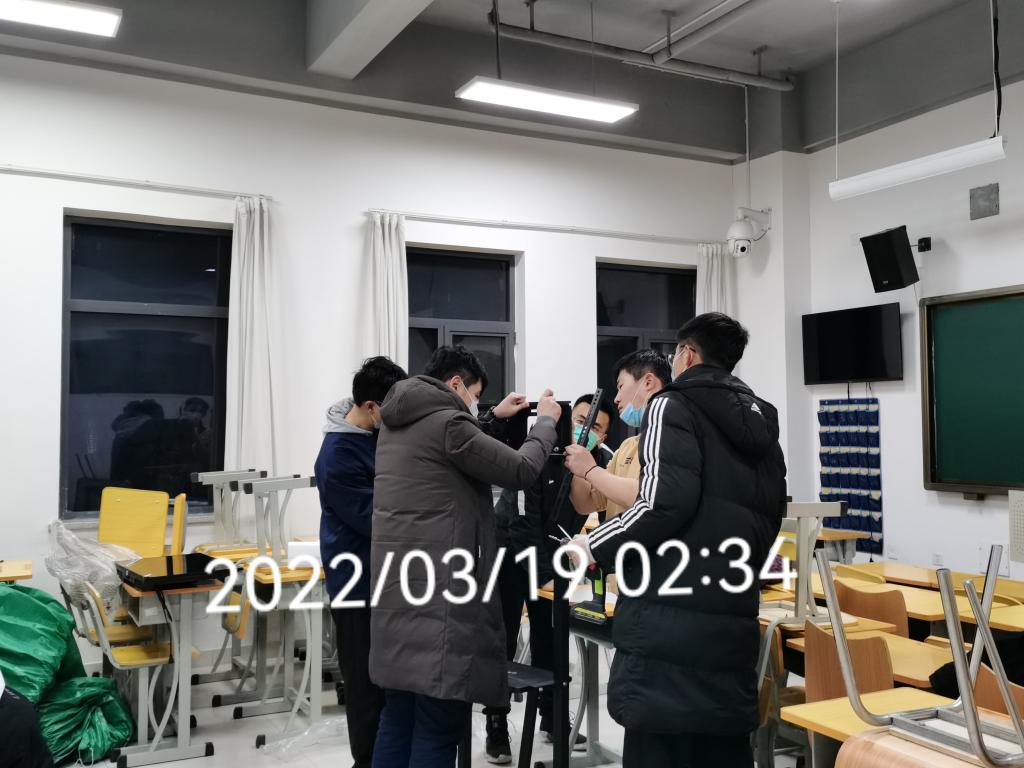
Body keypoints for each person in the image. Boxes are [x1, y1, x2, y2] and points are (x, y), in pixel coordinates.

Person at [569, 313, 787, 768]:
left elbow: (659, 503)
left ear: (687, 355)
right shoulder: (762, 420)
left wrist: (593, 546)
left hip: (666, 624)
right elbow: (770, 516)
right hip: (731, 617)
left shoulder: (671, 405)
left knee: (661, 749)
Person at [370, 345, 562, 768]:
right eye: (475, 395)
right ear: (455, 384)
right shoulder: (451, 425)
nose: (475, 404)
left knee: (397, 720)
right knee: (438, 725)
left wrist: (492, 418)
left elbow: (454, 447)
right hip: (441, 607)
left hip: (397, 598)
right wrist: (545, 423)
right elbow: (520, 469)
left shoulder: (396, 425)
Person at [484, 394, 616, 763]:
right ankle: (497, 724)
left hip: (552, 556)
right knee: (502, 638)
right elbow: (522, 524)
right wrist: (546, 577)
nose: (586, 429)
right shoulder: (541, 452)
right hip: (510, 549)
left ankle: (553, 717)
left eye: (596, 426)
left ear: (604, 436)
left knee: (551, 639)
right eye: (580, 419)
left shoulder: (599, 463)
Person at [315, 356, 408, 768]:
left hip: (382, 580)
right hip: (356, 585)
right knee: (365, 685)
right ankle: (366, 761)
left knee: (388, 682)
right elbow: (376, 519)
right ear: (371, 406)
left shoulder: (371, 435)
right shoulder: (337, 456)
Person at [566, 351, 671, 521]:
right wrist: (578, 463)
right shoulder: (628, 447)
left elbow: (647, 496)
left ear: (648, 382)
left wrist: (590, 470)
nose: (616, 399)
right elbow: (585, 504)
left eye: (621, 386)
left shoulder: (672, 439)